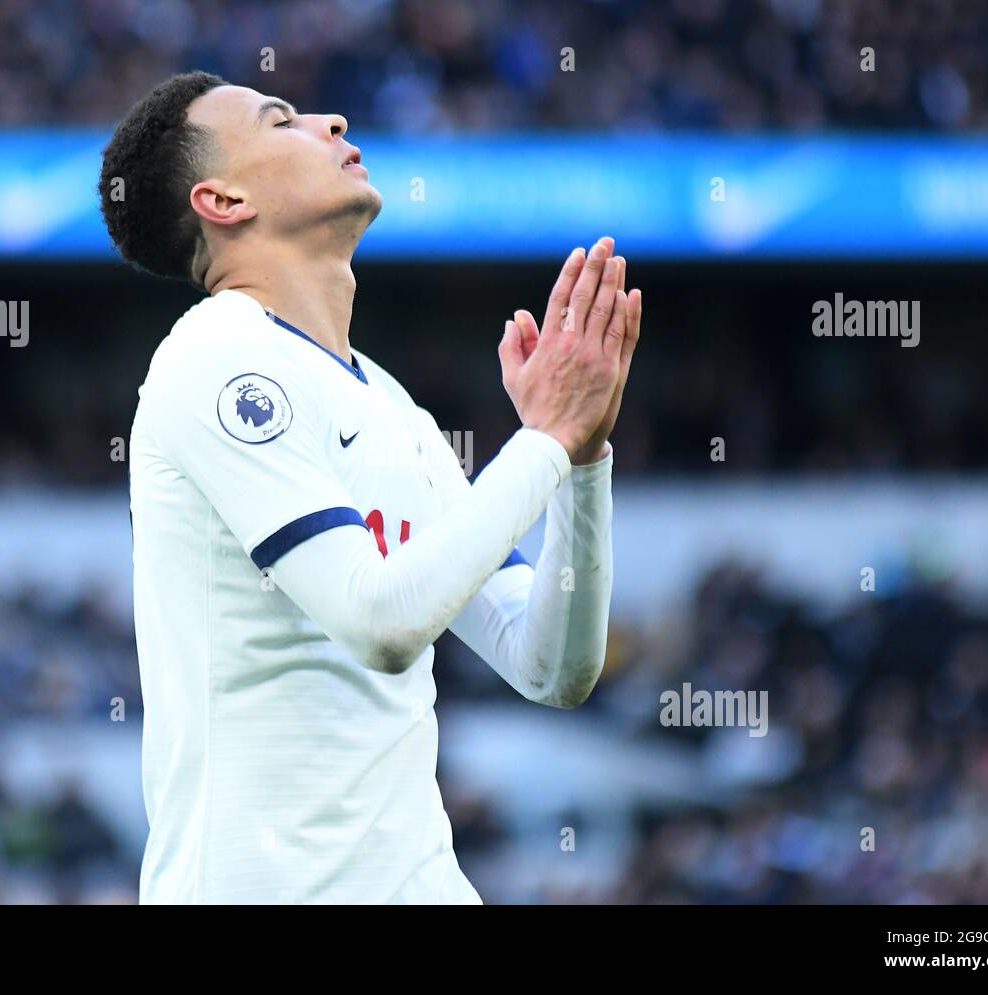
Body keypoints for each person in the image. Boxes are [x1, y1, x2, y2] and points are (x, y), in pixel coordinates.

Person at [98, 71, 642, 903]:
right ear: (224, 200)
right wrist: (541, 442)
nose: (331, 119)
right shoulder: (213, 357)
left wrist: (580, 459)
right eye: (281, 120)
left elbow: (554, 665)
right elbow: (380, 620)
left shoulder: (387, 405)